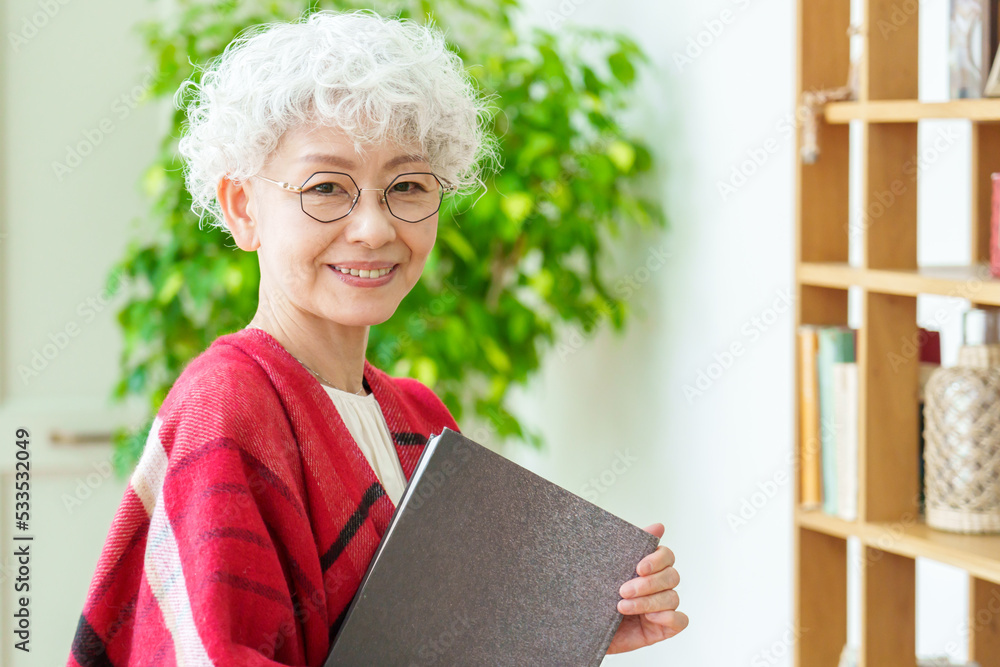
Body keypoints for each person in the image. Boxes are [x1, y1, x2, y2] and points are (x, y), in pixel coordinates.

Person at [67, 10, 687, 666]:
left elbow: (454, 648)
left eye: (407, 187)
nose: (373, 227)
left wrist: (573, 624)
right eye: (327, 187)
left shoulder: (420, 416)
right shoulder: (227, 403)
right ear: (242, 207)